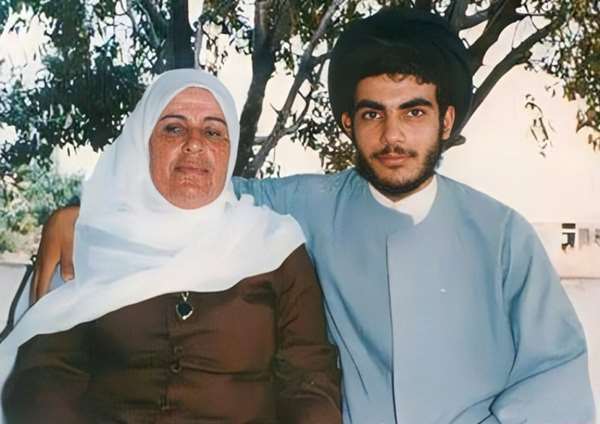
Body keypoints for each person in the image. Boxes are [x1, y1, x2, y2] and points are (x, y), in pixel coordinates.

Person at [26, 8, 596, 424]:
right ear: (348, 123)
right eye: (372, 114)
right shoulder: (306, 206)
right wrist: (84, 211)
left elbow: (555, 379)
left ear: (446, 121)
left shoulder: (502, 237)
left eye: (414, 113)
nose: (392, 135)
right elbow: (193, 187)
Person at [0, 69, 341, 423]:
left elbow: (309, 381)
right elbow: (44, 373)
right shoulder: (94, 241)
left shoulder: (275, 247)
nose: (194, 143)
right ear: (143, 142)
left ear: (230, 149)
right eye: (174, 128)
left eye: (213, 132)